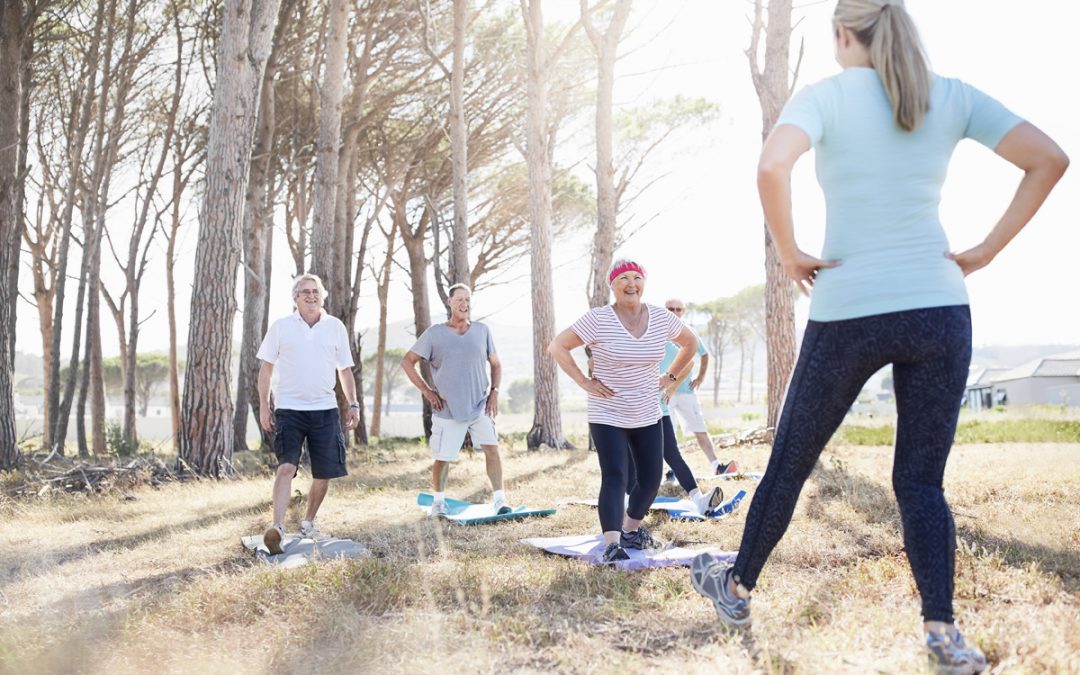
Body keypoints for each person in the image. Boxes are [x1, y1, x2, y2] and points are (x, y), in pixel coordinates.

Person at [690, 2, 1067, 673]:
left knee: (791, 462)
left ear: (842, 35)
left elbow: (772, 167)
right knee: (921, 482)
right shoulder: (947, 94)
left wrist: (788, 250)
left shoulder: (824, 96)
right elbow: (1049, 158)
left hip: (849, 308)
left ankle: (737, 586)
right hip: (939, 309)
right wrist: (984, 250)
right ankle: (944, 634)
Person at [549, 258, 699, 563]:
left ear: (644, 283)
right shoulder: (598, 319)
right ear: (613, 286)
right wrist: (584, 382)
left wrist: (669, 377)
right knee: (615, 475)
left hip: (646, 409)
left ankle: (632, 529)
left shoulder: (660, 317)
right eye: (623, 279)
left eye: (636, 278)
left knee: (651, 477)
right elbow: (558, 346)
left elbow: (690, 343)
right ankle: (612, 543)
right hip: (608, 410)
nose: (631, 284)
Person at [257, 274, 360, 555]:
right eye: (305, 292)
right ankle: (277, 527)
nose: (311, 296)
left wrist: (353, 403)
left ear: (322, 296)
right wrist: (265, 406)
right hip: (289, 409)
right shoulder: (281, 327)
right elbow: (266, 369)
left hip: (325, 410)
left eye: (315, 292)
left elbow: (345, 370)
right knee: (286, 467)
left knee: (323, 474)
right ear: (295, 298)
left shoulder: (335, 327)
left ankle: (308, 522)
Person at [401, 284, 510, 518]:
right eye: (460, 299)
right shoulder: (434, 334)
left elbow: (496, 364)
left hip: (481, 404)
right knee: (443, 458)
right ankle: (438, 504)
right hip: (448, 409)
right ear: (449, 303)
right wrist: (428, 392)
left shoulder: (482, 331)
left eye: (468, 300)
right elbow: (407, 362)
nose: (465, 304)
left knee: (492, 449)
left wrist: (495, 392)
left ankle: (500, 501)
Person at [625, 355, 725, 516]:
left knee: (673, 456)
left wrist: (673, 386)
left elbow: (689, 362)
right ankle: (628, 503)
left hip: (659, 411)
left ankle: (699, 501)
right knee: (631, 456)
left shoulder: (664, 343)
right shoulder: (625, 339)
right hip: (632, 411)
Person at [661, 298, 737, 476]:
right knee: (667, 435)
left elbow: (703, 356)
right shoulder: (657, 332)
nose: (674, 312)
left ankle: (717, 466)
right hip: (663, 394)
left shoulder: (690, 333)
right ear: (664, 310)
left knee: (699, 428)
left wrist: (700, 378)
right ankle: (669, 472)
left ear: (684, 311)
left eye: (678, 309)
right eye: (670, 309)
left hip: (686, 391)